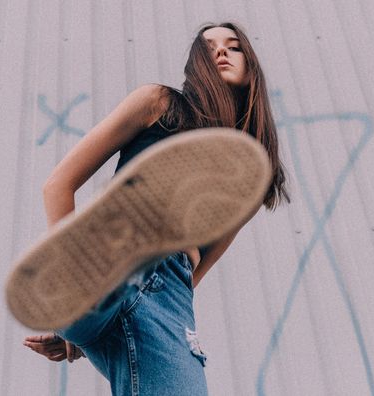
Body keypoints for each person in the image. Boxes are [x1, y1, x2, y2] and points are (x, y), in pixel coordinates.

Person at [21, 22, 289, 395]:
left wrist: (91, 337)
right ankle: (76, 297)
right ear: (196, 63)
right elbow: (58, 186)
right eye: (209, 46)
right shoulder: (159, 104)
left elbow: (198, 269)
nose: (222, 51)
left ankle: (82, 315)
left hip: (168, 297)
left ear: (251, 65)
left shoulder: (251, 173)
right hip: (108, 250)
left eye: (234, 46)